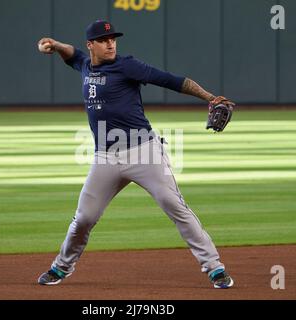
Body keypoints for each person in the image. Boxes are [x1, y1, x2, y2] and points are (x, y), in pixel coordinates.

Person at [37, 20, 235, 289]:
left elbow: (172, 81)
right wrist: (55, 44)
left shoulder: (127, 65)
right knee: (84, 218)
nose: (110, 43)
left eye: (113, 39)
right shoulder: (85, 64)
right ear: (91, 44)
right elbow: (71, 54)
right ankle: (61, 267)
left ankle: (215, 267)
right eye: (104, 39)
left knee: (174, 204)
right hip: (105, 157)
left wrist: (210, 97)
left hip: (144, 151)